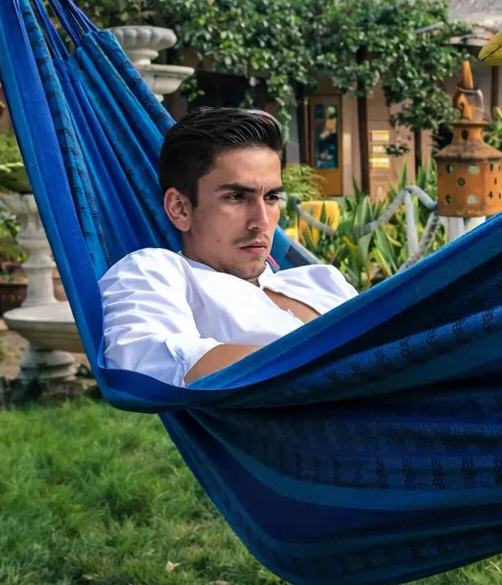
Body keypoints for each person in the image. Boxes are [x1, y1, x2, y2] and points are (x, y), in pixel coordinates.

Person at [98, 108, 358, 387]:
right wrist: (339, 363)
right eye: (235, 197)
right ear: (180, 208)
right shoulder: (156, 272)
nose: (261, 221)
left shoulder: (322, 280)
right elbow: (143, 360)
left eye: (271, 197)